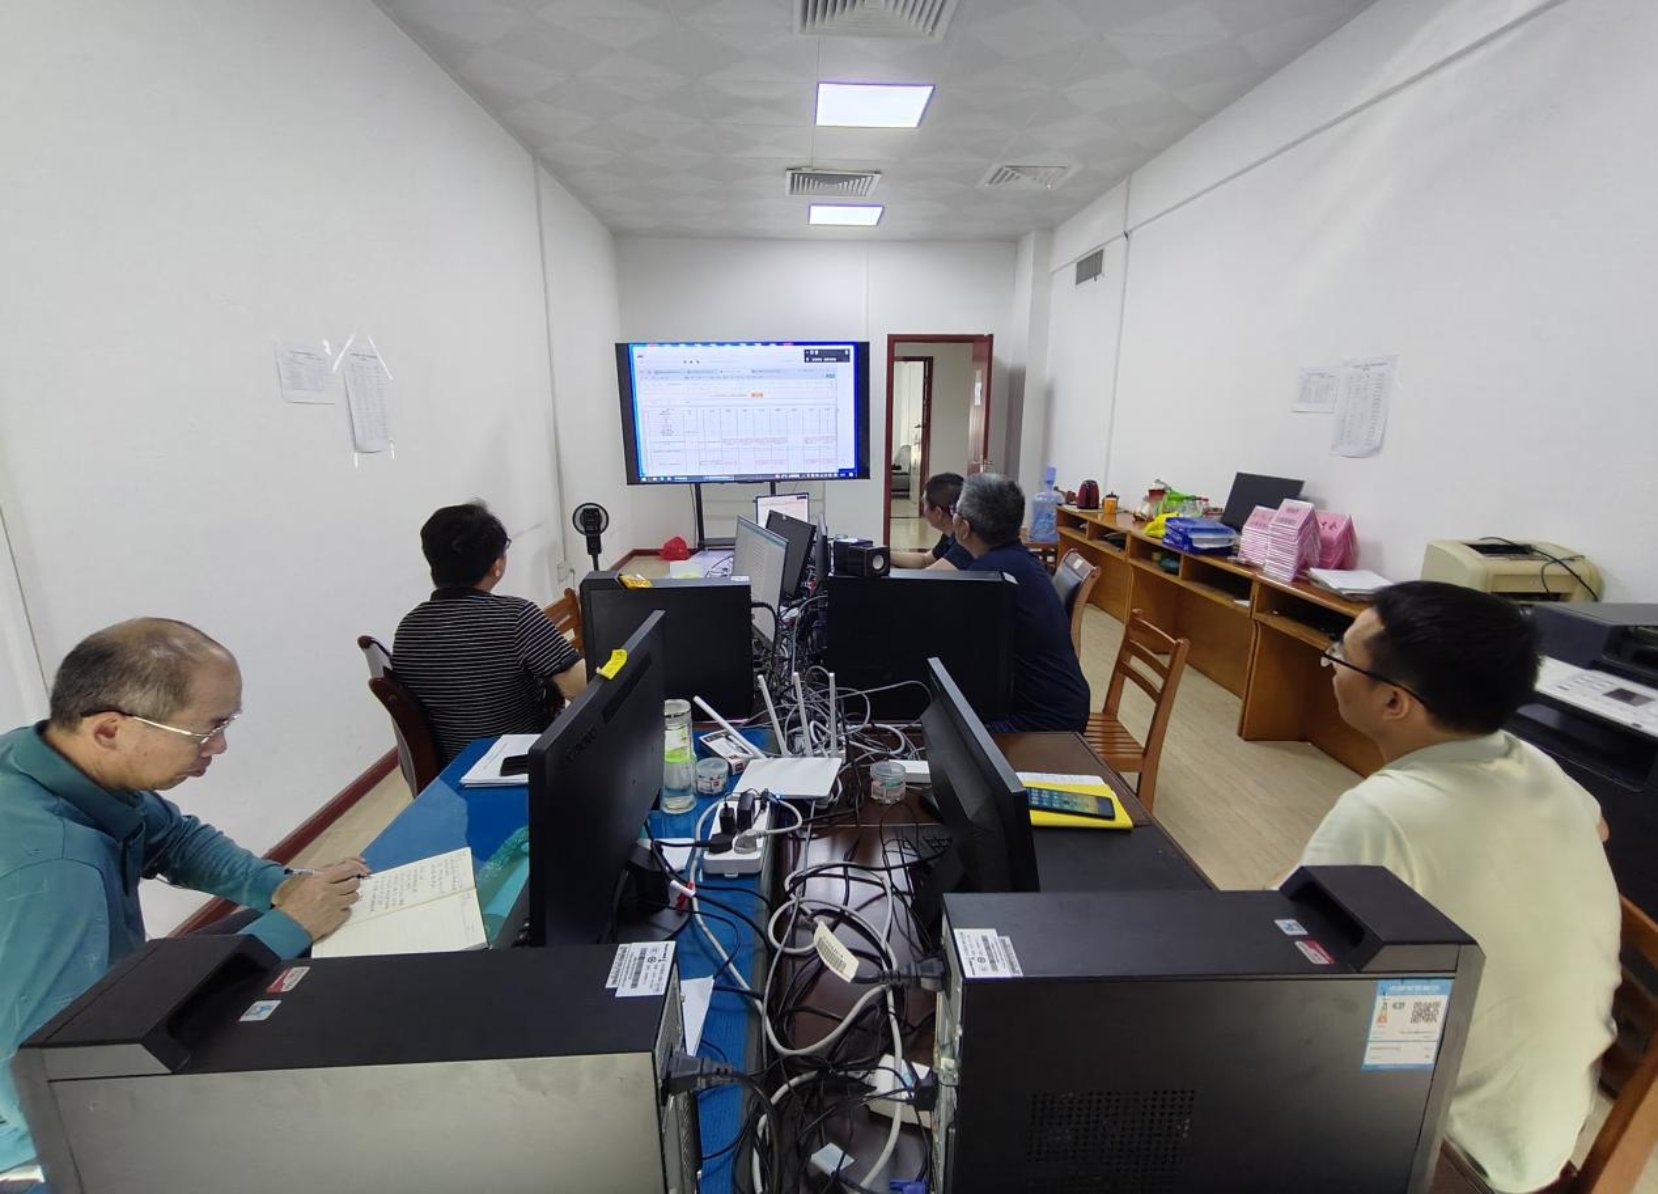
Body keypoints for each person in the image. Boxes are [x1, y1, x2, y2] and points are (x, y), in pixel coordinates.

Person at [0, 618, 367, 1174]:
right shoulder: (54, 871)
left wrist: (282, 886)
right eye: (206, 730)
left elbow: (171, 838)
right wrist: (290, 925)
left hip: (87, 1004)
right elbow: (50, 1084)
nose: (219, 746)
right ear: (110, 730)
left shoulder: (49, 758)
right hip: (46, 1130)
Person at [1295, 582, 1619, 1193]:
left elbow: (1285, 959)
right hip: (1539, 1135)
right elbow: (1597, 827)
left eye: (1341, 653)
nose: (1331, 663)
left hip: (1453, 1155)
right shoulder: (1533, 762)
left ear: (1394, 701)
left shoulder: (1382, 812)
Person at [393, 501, 585, 766]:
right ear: (497, 566)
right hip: (521, 760)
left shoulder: (409, 628)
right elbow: (578, 686)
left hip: (453, 767)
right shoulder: (515, 616)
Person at [950, 473, 1091, 732]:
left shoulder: (990, 577)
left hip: (1045, 723)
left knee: (945, 736)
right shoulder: (1018, 561)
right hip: (1060, 706)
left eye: (954, 511)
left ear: (964, 526)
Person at [890, 472, 971, 571]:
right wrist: (885, 555)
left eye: (924, 503)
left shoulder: (965, 543)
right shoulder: (951, 534)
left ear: (938, 513)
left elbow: (929, 575)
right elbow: (925, 560)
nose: (923, 509)